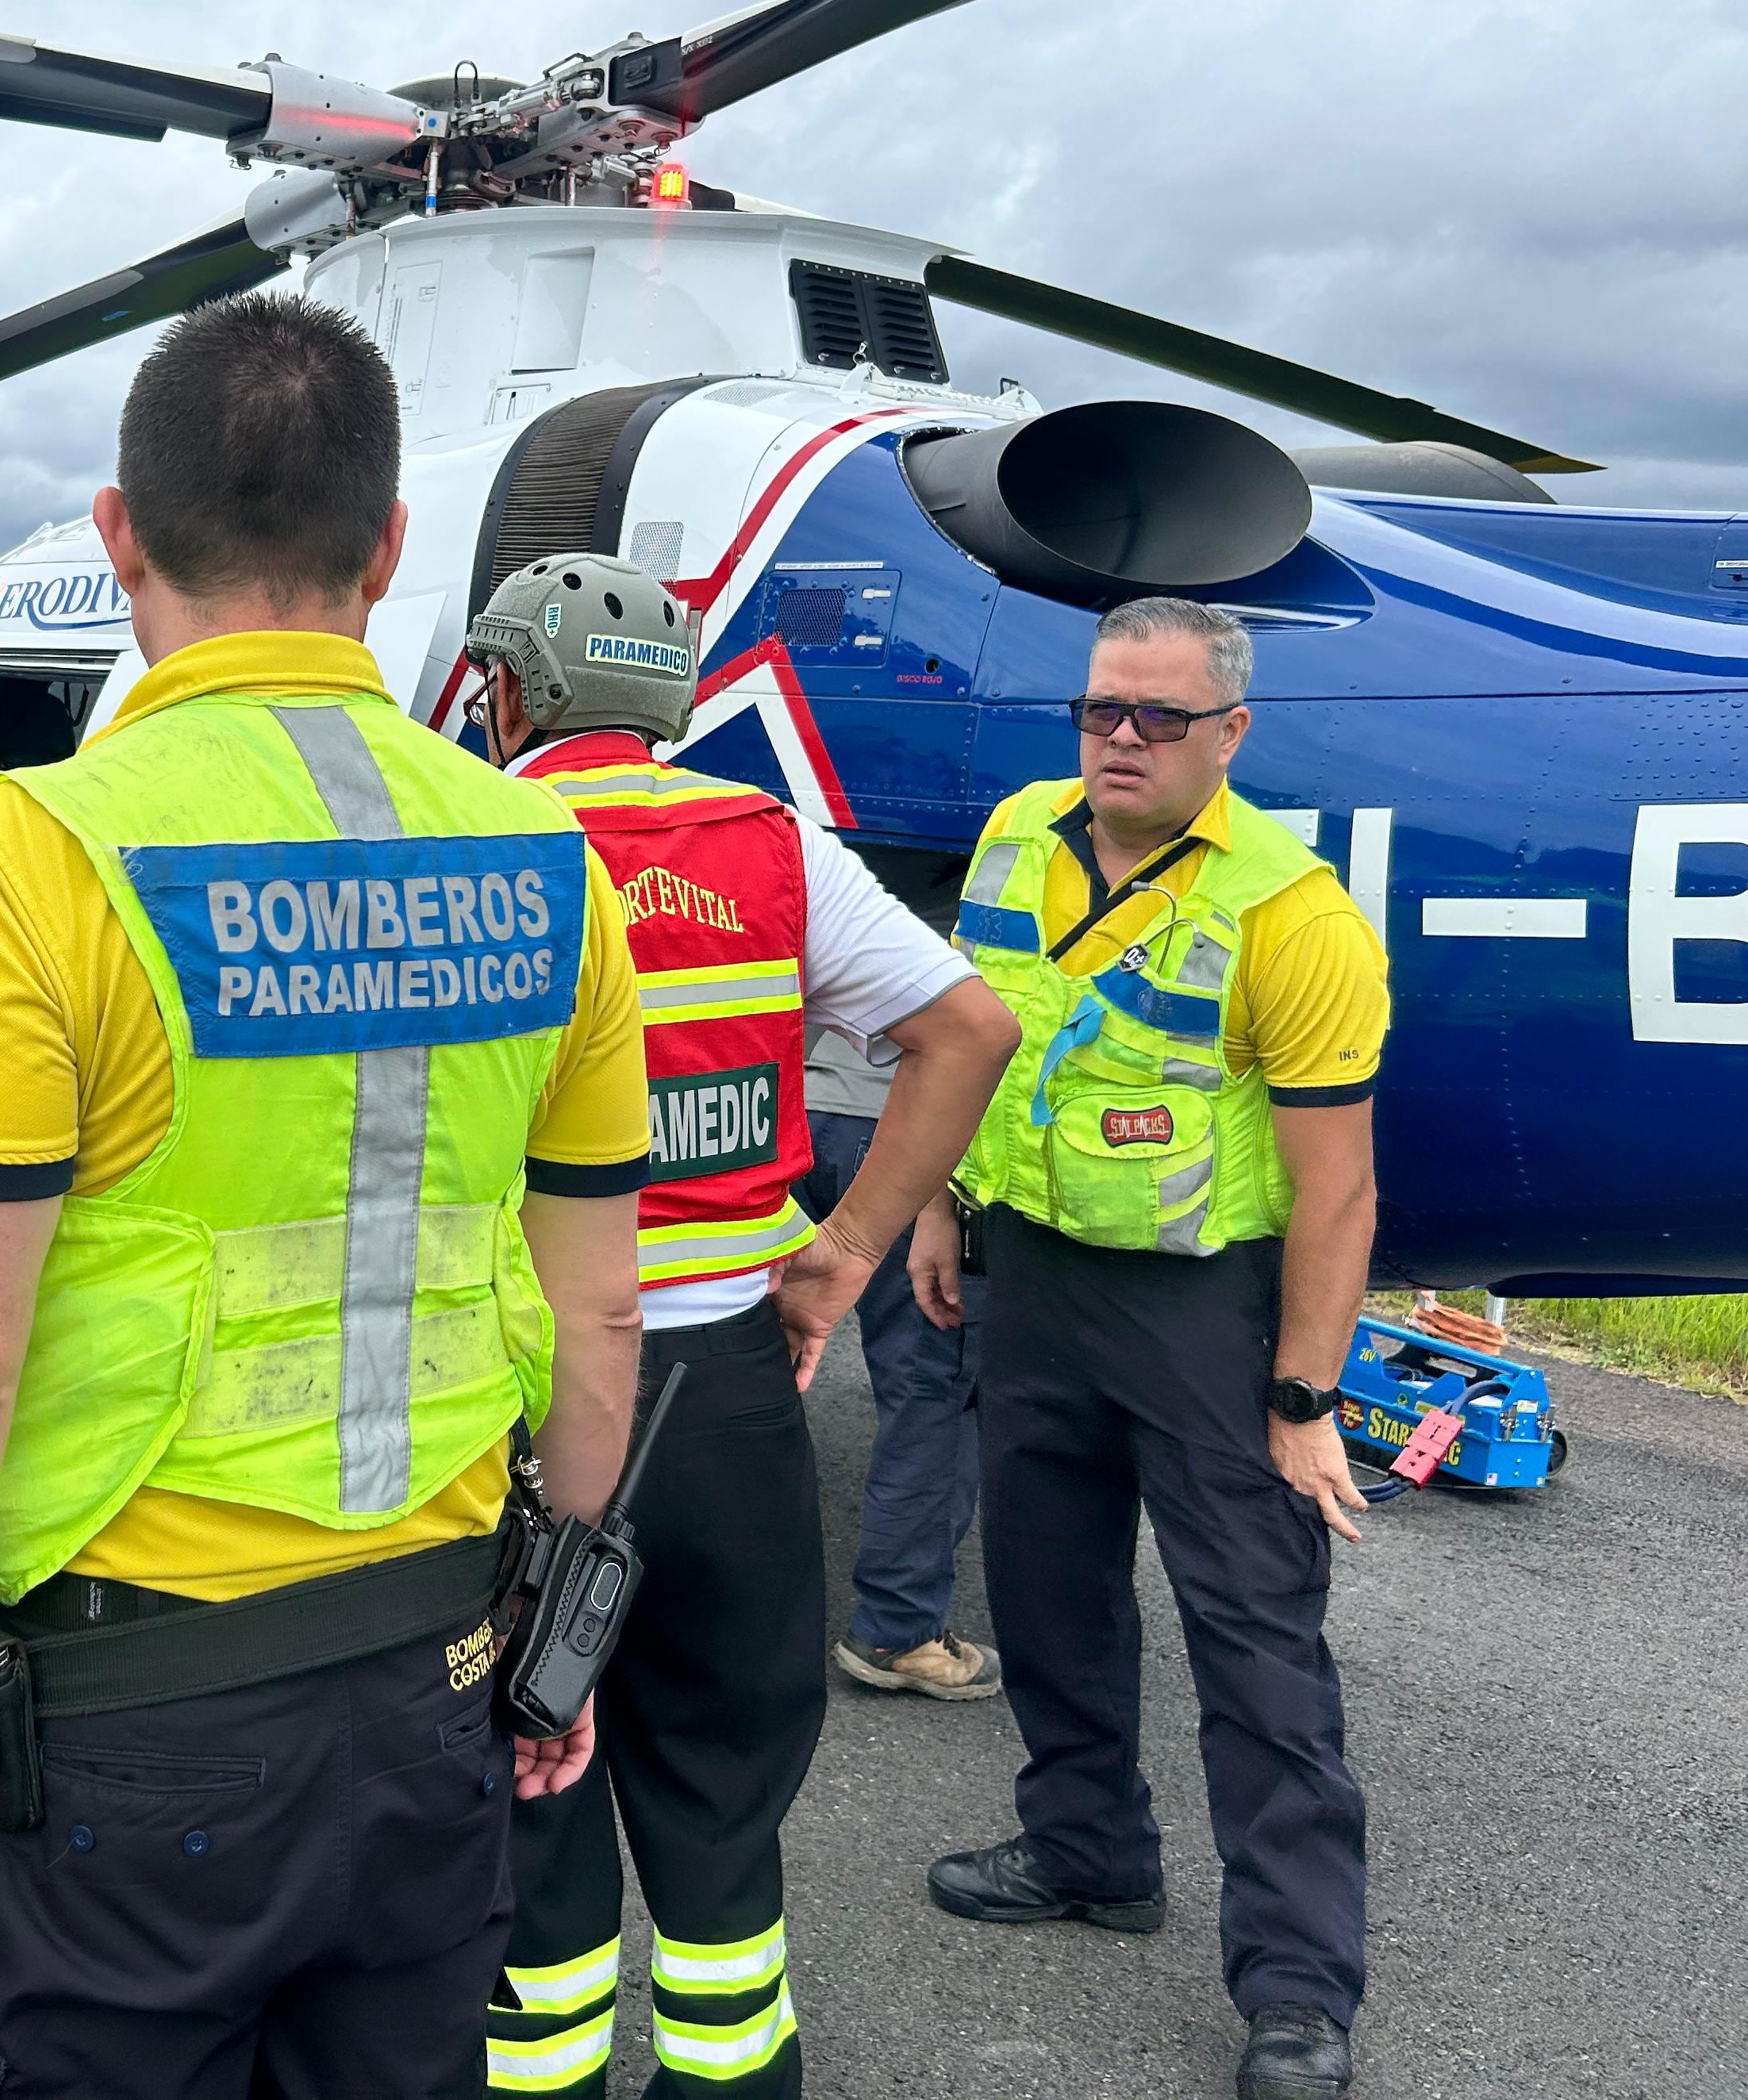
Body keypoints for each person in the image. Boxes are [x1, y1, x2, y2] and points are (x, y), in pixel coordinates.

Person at [0, 291, 651, 2099]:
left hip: (123, 1740)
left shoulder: (33, 855)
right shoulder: (546, 856)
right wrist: (568, 1634)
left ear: (117, 533)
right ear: (391, 550)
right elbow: (598, 1311)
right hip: (439, 1687)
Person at [463, 554, 1017, 2099]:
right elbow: (968, 1026)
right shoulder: (774, 846)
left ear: (512, 690)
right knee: (721, 1798)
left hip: (517, 1388)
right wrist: (842, 1252)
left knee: (521, 1777)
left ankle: (542, 2069)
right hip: (729, 1388)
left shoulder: (470, 844)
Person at [912, 595, 1385, 2100]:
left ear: (1227, 733)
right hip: (1033, 1274)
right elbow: (967, 1036)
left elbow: (1339, 1186)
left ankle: (1298, 1989)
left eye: (1157, 718)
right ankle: (1085, 1849)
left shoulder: (1289, 910)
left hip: (1204, 1308)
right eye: (1099, 709)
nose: (1118, 738)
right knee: (1047, 1593)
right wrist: (934, 1202)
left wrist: (1303, 1395)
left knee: (1255, 1644)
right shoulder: (1014, 833)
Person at [809, 1001, 1004, 1700]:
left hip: (794, 1109)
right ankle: (900, 1629)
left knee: (756, 1366)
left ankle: (717, 1606)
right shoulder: (1005, 903)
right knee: (932, 1386)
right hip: (904, 1128)